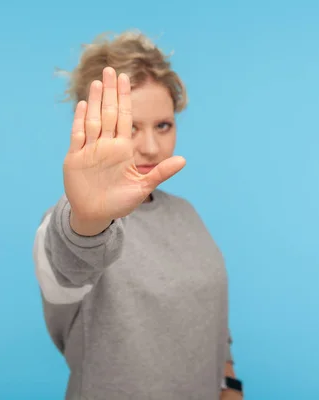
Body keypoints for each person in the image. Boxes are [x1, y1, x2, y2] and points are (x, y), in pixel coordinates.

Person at [32, 31, 243, 400]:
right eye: (131, 127)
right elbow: (73, 256)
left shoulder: (184, 213)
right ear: (95, 127)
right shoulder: (70, 223)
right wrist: (87, 217)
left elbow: (211, 319)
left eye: (163, 125)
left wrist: (229, 384)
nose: (150, 147)